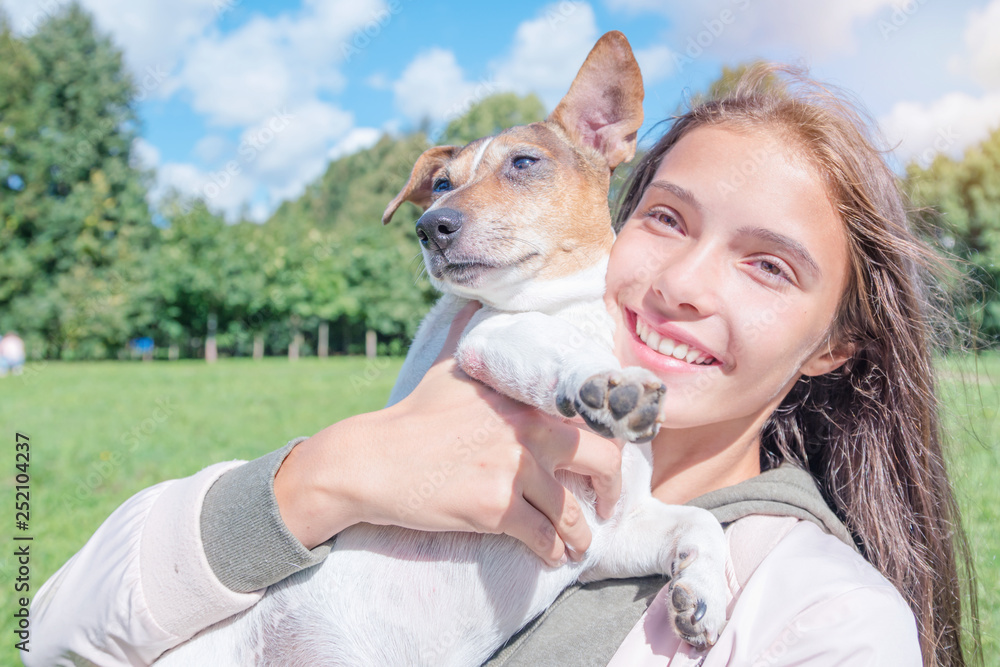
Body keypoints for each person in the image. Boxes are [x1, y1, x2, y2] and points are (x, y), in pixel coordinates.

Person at [26, 64, 979, 666]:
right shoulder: (456, 361)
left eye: (767, 265)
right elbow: (50, 632)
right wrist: (322, 476)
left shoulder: (824, 618)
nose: (686, 281)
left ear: (834, 342)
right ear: (614, 216)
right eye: (666, 218)